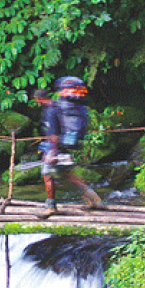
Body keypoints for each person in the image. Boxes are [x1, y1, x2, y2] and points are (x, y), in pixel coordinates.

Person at [34, 87, 102, 217]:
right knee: (68, 176)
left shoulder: (50, 111)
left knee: (47, 176)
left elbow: (54, 135)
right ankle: (92, 196)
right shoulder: (58, 107)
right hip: (63, 149)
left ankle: (51, 207)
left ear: (39, 99)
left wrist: (51, 154)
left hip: (56, 150)